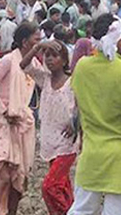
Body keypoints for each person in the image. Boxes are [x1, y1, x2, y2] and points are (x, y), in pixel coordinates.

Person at [68, 14, 121, 215]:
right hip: (120, 158)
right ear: (117, 39)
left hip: (91, 154)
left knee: (82, 209)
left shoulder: (82, 68)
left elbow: (79, 107)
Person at [0, 22, 49, 215]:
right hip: (4, 122)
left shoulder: (33, 63)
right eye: (36, 40)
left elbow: (45, 80)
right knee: (3, 173)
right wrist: (4, 111)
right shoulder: (7, 60)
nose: (38, 43)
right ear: (25, 41)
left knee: (18, 178)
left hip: (23, 122)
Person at [39, 41, 78, 215]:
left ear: (64, 60)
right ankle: (74, 210)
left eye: (54, 56)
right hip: (49, 141)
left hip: (66, 144)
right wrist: (37, 47)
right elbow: (23, 65)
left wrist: (76, 124)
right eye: (47, 55)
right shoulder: (45, 80)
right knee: (62, 185)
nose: (50, 59)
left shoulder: (72, 82)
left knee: (50, 186)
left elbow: (84, 105)